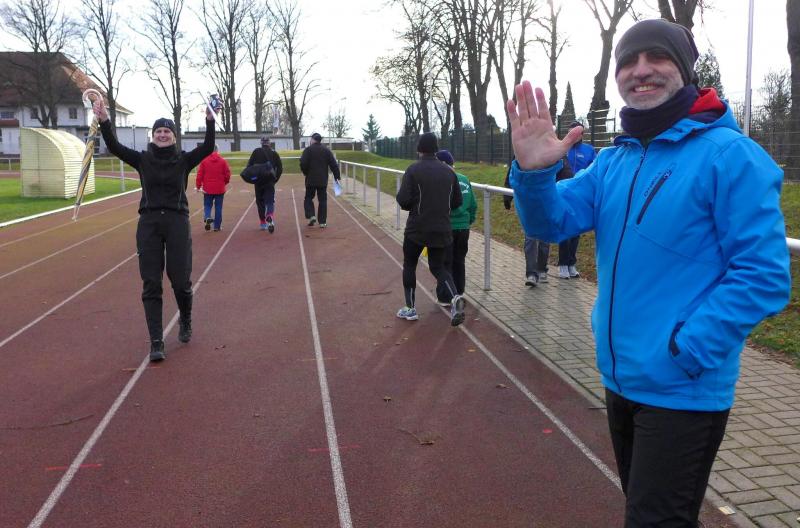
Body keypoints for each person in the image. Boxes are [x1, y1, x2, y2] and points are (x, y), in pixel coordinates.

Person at [506, 19, 790, 526]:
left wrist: (686, 350)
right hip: (621, 380)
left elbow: (763, 274)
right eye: (628, 62)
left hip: (683, 388)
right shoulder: (614, 161)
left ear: (684, 70)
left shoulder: (731, 156)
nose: (640, 71)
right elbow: (551, 223)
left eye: (656, 57)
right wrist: (533, 173)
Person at [94, 99, 219, 362]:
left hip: (176, 222)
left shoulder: (183, 160)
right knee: (151, 283)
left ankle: (186, 318)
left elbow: (208, 147)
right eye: (158, 131)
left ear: (174, 136)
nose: (162, 135)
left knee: (181, 281)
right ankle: (156, 340)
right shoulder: (142, 159)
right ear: (153, 135)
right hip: (149, 224)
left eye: (167, 131)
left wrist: (210, 121)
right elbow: (114, 147)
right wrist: (104, 120)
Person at [396, 132, 465, 326]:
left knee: (410, 264)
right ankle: (455, 297)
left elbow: (403, 199)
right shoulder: (449, 172)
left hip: (417, 228)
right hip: (442, 227)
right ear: (436, 149)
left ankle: (410, 308)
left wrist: (416, 206)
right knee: (438, 267)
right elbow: (457, 202)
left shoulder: (413, 170)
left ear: (419, 149)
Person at [504, 157, 573, 286]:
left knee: (544, 239)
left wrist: (563, 192)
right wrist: (507, 195)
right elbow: (513, 169)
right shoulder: (524, 152)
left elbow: (566, 173)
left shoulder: (552, 152)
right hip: (529, 201)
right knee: (530, 238)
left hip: (546, 201)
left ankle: (541, 269)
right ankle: (531, 273)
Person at [434, 150, 477, 306]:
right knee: (459, 260)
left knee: (445, 262)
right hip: (463, 227)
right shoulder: (464, 179)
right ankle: (459, 291)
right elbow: (473, 204)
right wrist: (468, 221)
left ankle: (446, 297)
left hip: (448, 227)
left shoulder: (441, 180)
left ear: (443, 164)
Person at [557, 121, 596, 279]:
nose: (572, 135)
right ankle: (562, 264)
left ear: (582, 134)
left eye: (576, 132)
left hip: (580, 196)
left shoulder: (589, 150)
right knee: (564, 229)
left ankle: (571, 263)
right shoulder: (562, 148)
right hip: (563, 194)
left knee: (576, 231)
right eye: (570, 132)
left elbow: (593, 171)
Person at [300, 132, 341, 228]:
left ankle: (311, 215)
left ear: (313, 140)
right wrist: (337, 177)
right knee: (322, 200)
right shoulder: (326, 151)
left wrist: (305, 172)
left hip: (310, 179)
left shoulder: (308, 150)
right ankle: (322, 222)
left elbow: (303, 163)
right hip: (322, 179)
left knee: (308, 198)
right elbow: (334, 165)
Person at [246, 135, 283, 232]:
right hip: (270, 181)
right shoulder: (274, 153)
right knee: (270, 200)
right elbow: (280, 168)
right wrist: (275, 179)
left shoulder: (256, 152)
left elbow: (249, 166)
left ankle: (263, 223)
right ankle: (269, 215)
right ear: (269, 143)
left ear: (261, 143)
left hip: (258, 181)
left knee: (260, 202)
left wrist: (253, 178)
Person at [195, 144, 230, 232]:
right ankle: (217, 226)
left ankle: (207, 217)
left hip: (207, 188)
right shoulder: (223, 161)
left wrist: (198, 186)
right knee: (218, 207)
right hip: (219, 188)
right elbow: (227, 174)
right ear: (217, 150)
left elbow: (199, 175)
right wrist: (224, 183)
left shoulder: (204, 161)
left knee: (207, 205)